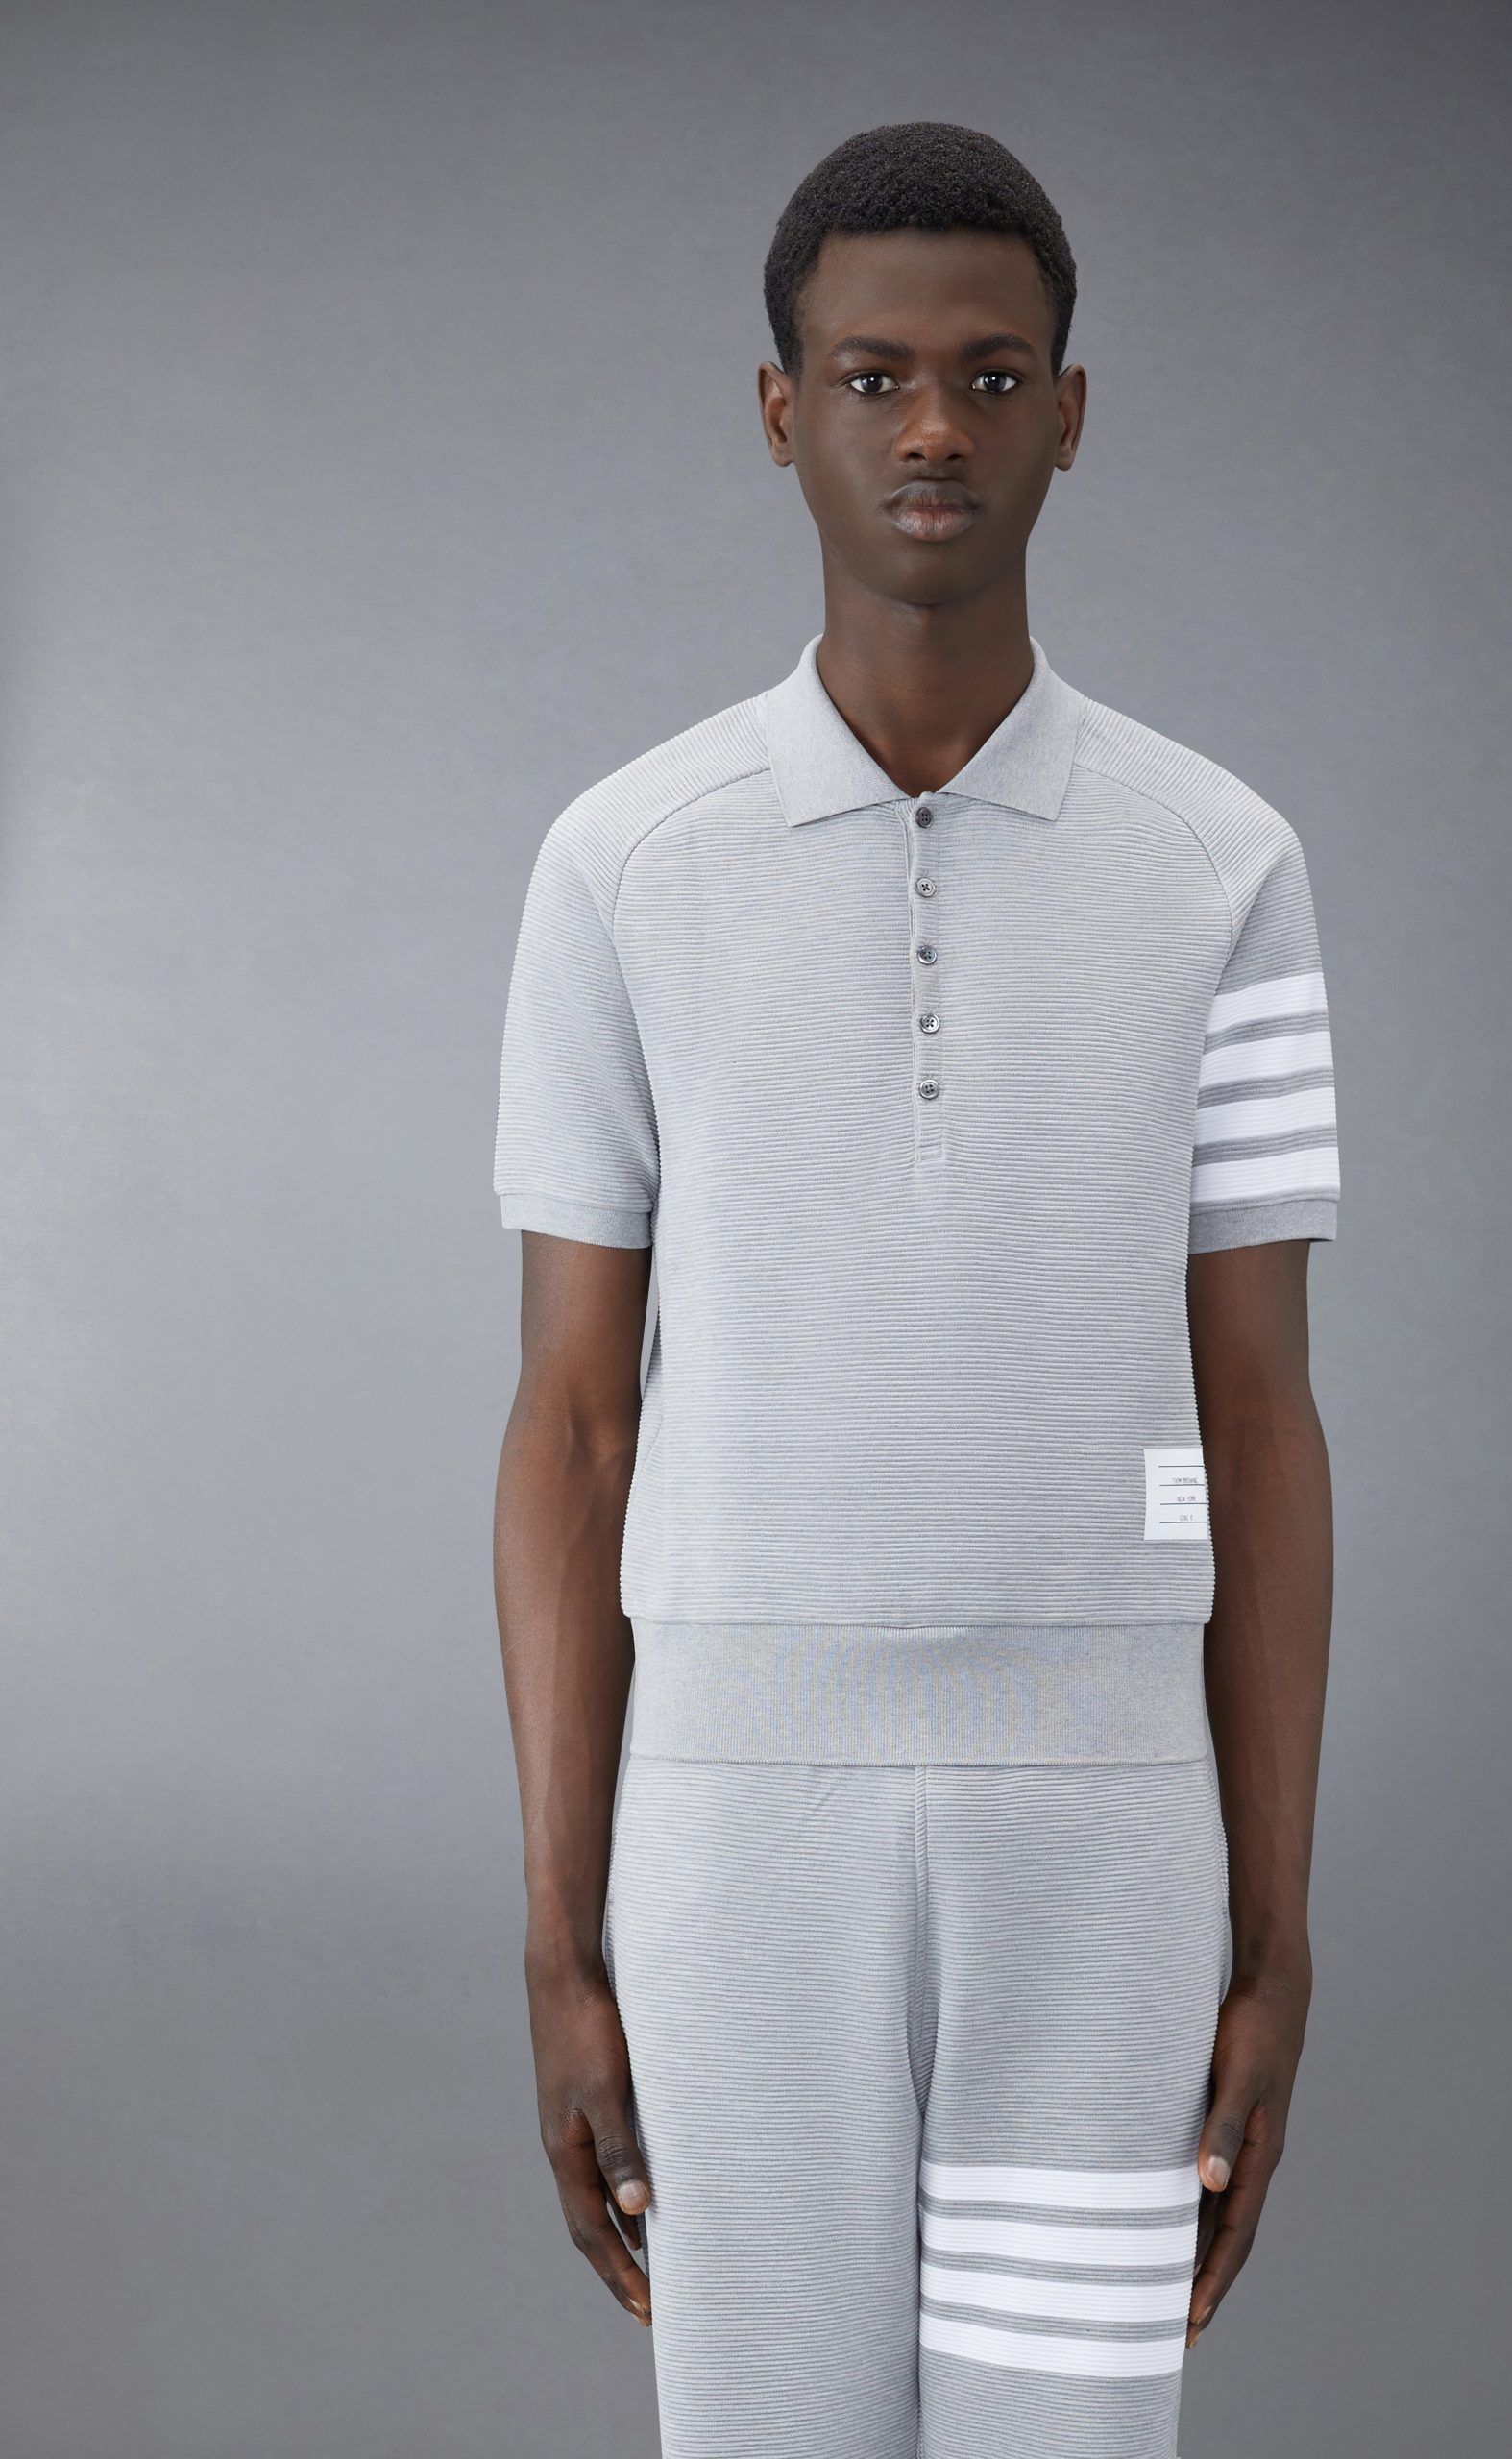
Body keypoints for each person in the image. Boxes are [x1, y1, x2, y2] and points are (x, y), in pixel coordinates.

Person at [490, 119, 1338, 2459]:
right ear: (782, 413)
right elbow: (576, 1420)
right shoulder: (623, 863)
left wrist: (1276, 1933)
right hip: (733, 1827)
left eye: (990, 375)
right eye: (872, 379)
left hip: (1110, 1837)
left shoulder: (1224, 864)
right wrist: (561, 1934)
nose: (934, 427)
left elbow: (1256, 1416)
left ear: (1073, 411)